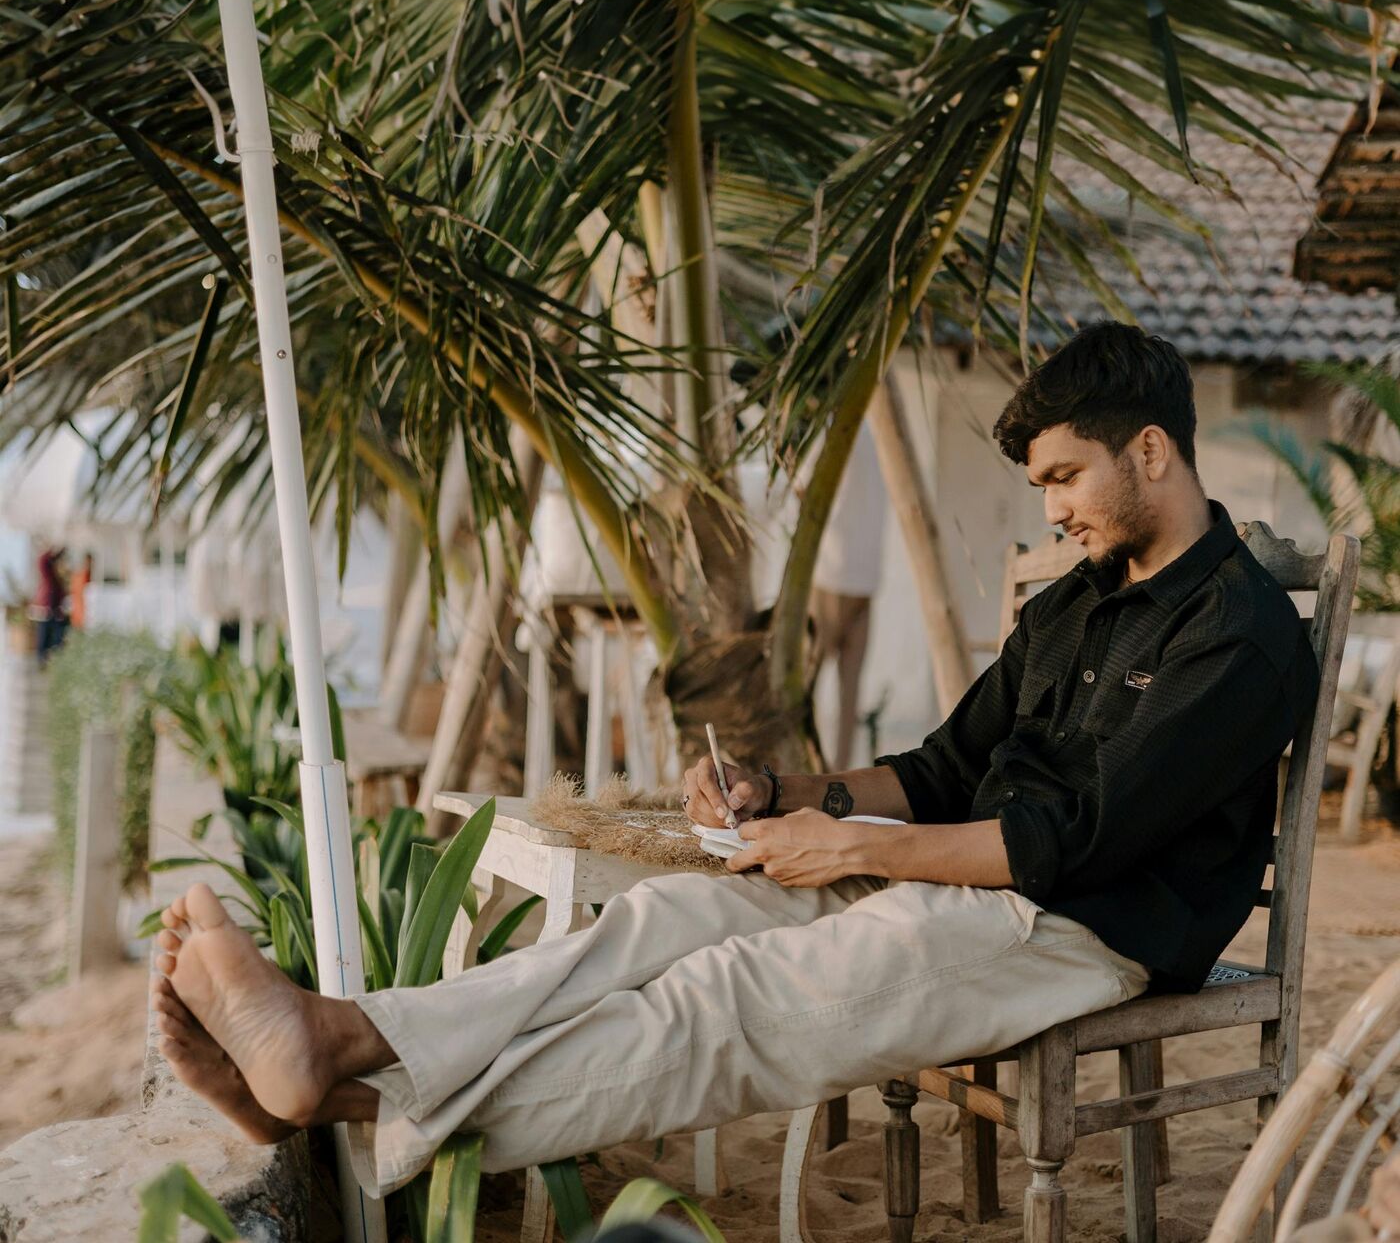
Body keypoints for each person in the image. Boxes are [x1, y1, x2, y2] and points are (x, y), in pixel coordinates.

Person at [150, 323, 1318, 1200]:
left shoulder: (1239, 633)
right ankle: (343, 1037)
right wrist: (790, 795)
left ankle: (344, 1108)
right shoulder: (1071, 604)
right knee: (662, 919)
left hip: (1081, 927)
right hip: (960, 872)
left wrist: (849, 847)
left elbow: (1073, 843)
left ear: (1151, 450)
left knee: (729, 1004)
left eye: (1064, 477)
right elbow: (939, 765)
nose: (1052, 510)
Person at [808, 421, 887, 770]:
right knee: (848, 693)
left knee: (804, 686)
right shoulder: (877, 436)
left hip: (832, 575)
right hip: (866, 578)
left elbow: (803, 491)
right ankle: (836, 771)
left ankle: (807, 770)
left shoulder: (828, 431)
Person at [32, 545, 68, 667]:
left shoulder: (56, 578)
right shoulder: (49, 577)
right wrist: (53, 549)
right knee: (44, 637)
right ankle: (42, 661)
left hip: (54, 612)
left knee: (55, 638)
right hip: (46, 611)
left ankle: (50, 660)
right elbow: (42, 561)